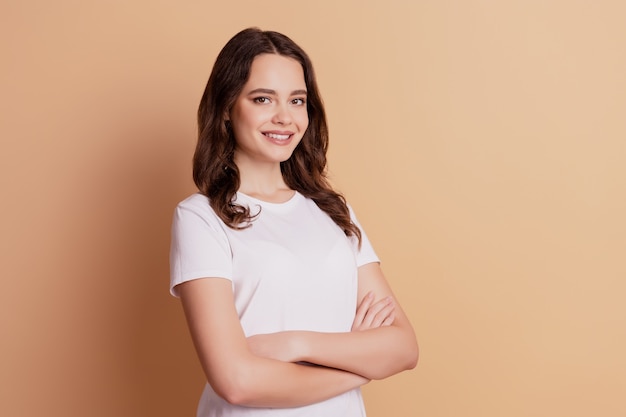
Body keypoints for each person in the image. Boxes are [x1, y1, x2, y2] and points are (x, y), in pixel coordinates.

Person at [169, 27, 418, 417]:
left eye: (297, 100)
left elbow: (403, 347)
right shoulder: (201, 217)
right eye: (263, 98)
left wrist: (296, 344)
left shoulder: (334, 212)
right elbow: (237, 381)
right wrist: (360, 366)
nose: (284, 117)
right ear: (226, 108)